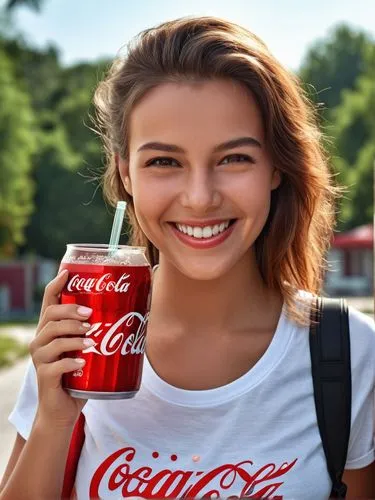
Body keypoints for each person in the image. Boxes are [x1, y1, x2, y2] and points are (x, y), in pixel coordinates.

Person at [0, 15, 374, 500]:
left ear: (276, 168)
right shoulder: (83, 343)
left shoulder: (350, 356)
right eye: (163, 162)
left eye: (234, 158)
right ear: (126, 173)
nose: (199, 198)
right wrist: (54, 418)